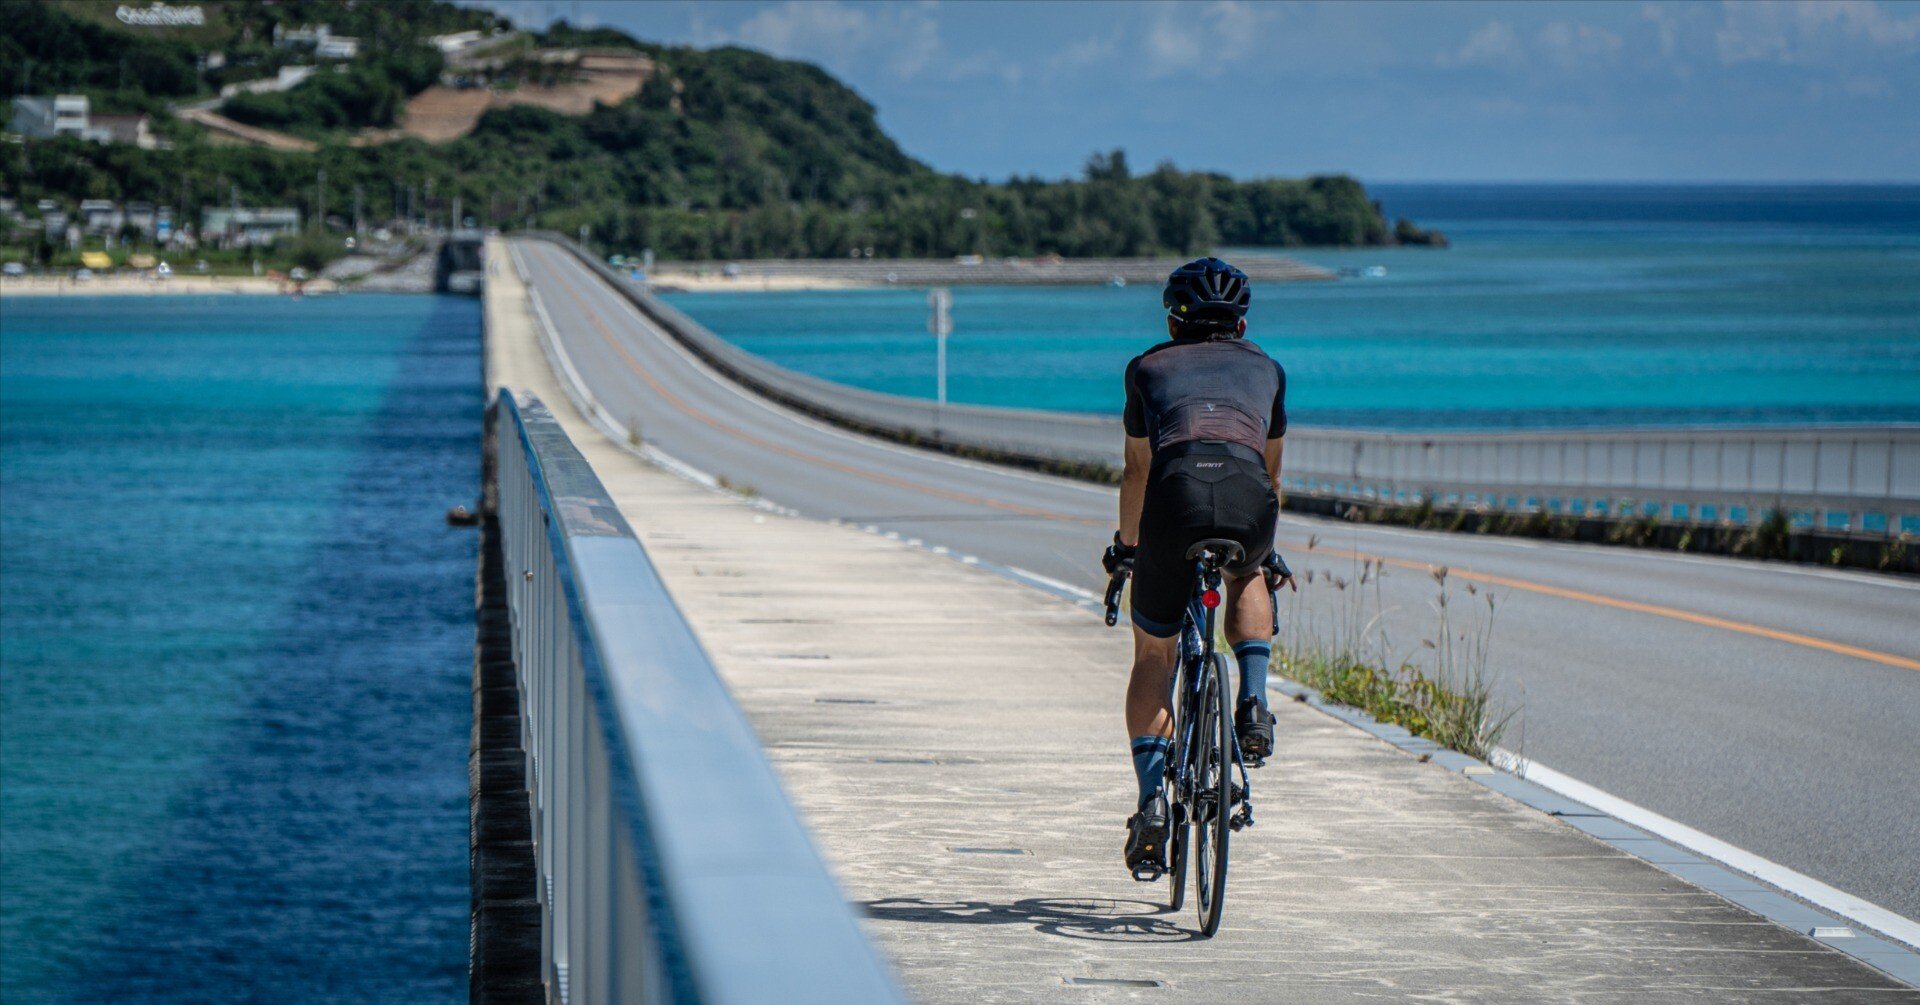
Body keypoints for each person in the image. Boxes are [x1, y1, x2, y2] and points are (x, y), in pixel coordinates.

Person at [1103, 257, 1296, 875]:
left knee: (1154, 655)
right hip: (1247, 497)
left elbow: (1137, 470)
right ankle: (1254, 702)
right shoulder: (1268, 370)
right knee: (1248, 574)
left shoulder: (1147, 368)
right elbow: (1271, 473)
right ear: (1241, 325)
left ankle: (1152, 801)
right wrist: (1263, 548)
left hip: (1176, 496)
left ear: (1171, 322)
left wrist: (1128, 549)